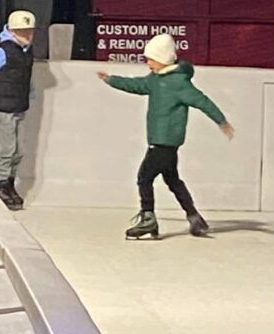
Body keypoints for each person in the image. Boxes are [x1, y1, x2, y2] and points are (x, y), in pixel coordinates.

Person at [98, 33, 234, 240]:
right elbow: (136, 85)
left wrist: (221, 121)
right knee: (172, 180)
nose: (147, 63)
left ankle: (148, 218)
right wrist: (112, 80)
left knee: (144, 177)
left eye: (151, 59)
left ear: (162, 59)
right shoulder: (155, 79)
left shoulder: (179, 83)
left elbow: (203, 101)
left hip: (165, 142)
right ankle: (194, 217)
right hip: (160, 141)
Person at [0, 9, 36, 210]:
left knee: (18, 149)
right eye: (23, 31)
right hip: (2, 106)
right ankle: (2, 183)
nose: (28, 35)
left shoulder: (24, 53)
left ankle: (9, 182)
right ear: (12, 31)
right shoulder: (3, 52)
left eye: (30, 31)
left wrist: (29, 93)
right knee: (8, 147)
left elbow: (24, 77)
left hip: (17, 104)